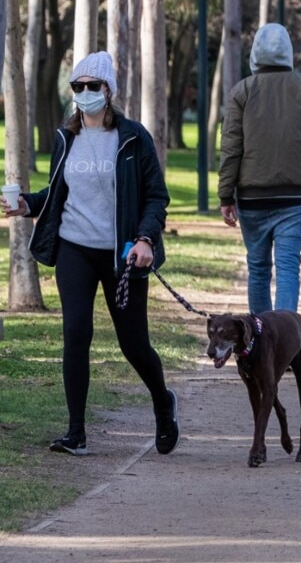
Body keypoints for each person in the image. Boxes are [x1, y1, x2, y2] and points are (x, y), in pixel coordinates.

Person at [3, 52, 178, 457]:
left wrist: (146, 240)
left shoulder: (133, 137)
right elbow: (59, 193)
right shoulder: (66, 137)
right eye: (77, 87)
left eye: (92, 86)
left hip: (122, 254)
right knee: (75, 333)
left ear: (109, 90)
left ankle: (162, 403)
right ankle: (76, 432)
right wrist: (27, 204)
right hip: (75, 248)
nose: (84, 94)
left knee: (133, 344)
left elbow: (156, 196)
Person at [218, 23, 301, 314]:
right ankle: (286, 341)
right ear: (288, 53)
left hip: (252, 198)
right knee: (288, 268)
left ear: (255, 54)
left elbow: (231, 149)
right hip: (295, 199)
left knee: (259, 269)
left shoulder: (242, 91)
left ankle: (261, 342)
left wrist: (226, 196)